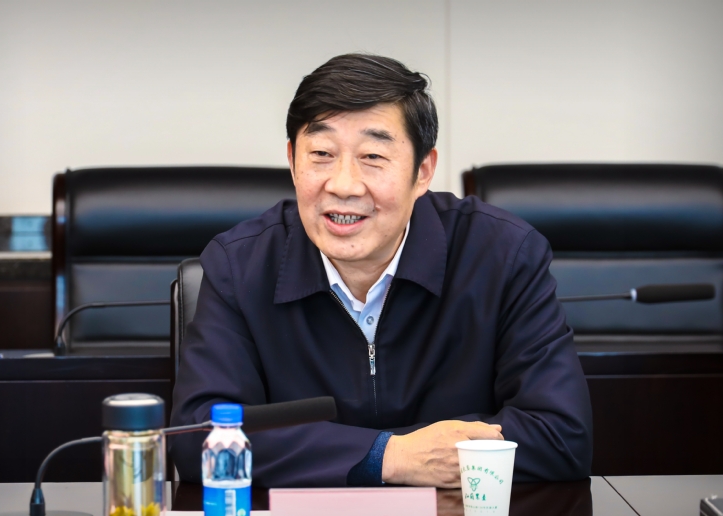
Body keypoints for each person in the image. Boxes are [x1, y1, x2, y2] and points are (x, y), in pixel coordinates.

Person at [170, 53, 592, 488]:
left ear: (423, 171)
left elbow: (560, 435)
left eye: (372, 156)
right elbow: (199, 438)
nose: (343, 185)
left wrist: (330, 452)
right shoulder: (240, 266)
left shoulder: (502, 255)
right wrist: (389, 456)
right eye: (321, 154)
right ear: (293, 161)